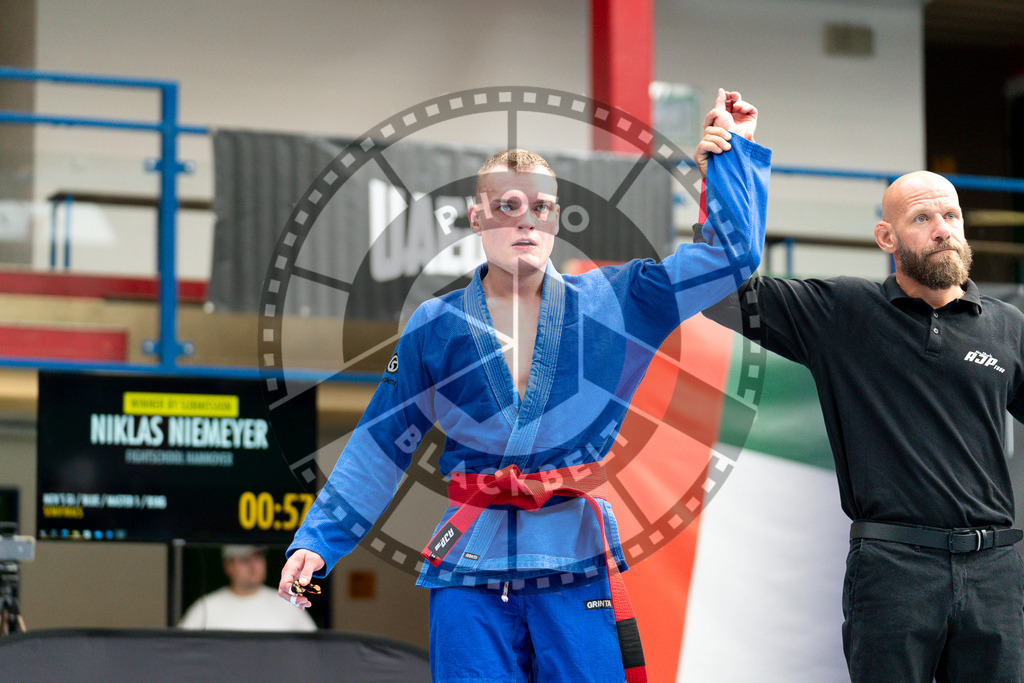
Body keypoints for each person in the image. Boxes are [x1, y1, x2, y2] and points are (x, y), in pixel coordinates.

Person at [279, 89, 769, 682]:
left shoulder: (619, 302)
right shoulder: (435, 327)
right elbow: (383, 443)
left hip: (575, 559)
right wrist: (319, 540)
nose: (526, 218)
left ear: (556, 219)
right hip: (470, 566)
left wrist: (730, 157)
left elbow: (732, 257)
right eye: (508, 204)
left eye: (541, 206)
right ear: (476, 216)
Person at [699, 123, 1024, 680]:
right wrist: (728, 172)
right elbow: (717, 289)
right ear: (886, 238)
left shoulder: (1007, 326)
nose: (942, 229)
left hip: (996, 570)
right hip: (894, 568)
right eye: (921, 218)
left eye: (951, 216)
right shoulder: (843, 312)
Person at [178, 545, 316, 631]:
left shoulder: (288, 602)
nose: (252, 565)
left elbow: (313, 651)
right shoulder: (206, 607)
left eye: (257, 557)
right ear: (228, 566)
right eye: (244, 559)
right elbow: (181, 651)